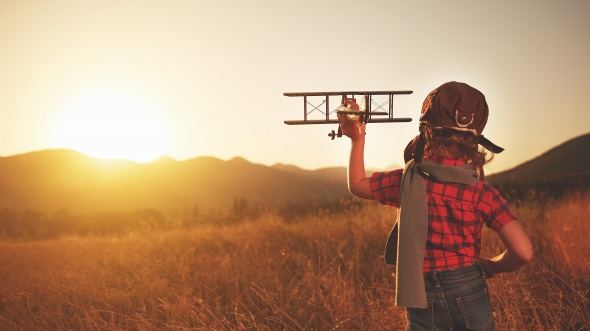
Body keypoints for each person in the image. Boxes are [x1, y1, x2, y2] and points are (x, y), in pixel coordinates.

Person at [338, 81, 533, 330]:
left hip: (420, 288)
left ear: (425, 130)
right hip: (468, 283)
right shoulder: (482, 194)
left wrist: (357, 137)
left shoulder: (404, 180)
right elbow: (524, 252)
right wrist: (493, 266)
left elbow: (357, 184)